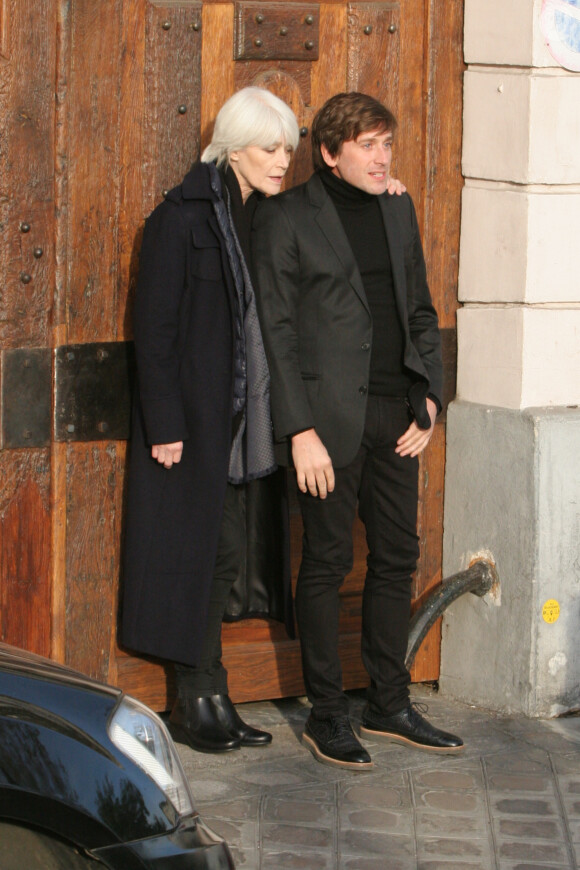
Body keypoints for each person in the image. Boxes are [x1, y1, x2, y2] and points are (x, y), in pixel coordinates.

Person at [253, 92, 464, 771]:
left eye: (387, 144)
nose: (382, 157)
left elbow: (422, 312)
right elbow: (274, 332)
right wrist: (299, 431)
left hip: (398, 417)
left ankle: (390, 701)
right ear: (329, 153)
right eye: (368, 145)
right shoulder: (285, 216)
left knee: (398, 558)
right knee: (326, 562)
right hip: (326, 423)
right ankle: (326, 714)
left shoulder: (397, 207)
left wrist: (430, 397)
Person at [121, 87, 300, 753]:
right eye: (270, 148)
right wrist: (164, 423)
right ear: (233, 148)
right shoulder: (182, 218)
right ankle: (193, 702)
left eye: (288, 148)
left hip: (234, 425)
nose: (283, 161)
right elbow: (156, 330)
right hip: (192, 424)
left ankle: (213, 692)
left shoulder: (255, 214)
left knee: (221, 558)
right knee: (192, 560)